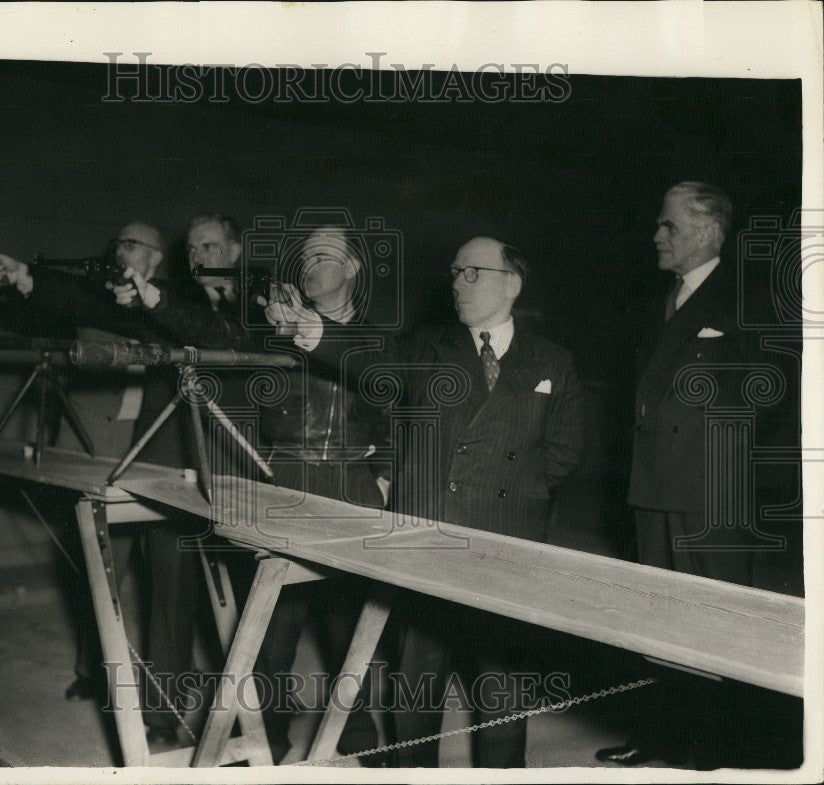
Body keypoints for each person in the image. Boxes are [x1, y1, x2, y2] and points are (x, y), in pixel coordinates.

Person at [265, 235, 584, 767]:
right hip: (426, 537)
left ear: (512, 284)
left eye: (472, 273)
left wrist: (509, 501)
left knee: (501, 688)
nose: (457, 282)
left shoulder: (554, 361)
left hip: (502, 542)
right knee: (417, 682)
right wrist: (311, 330)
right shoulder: (425, 348)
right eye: (454, 272)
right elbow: (371, 359)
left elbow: (563, 451)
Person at [124, 218, 390, 764]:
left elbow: (401, 407)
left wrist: (382, 478)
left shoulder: (380, 339)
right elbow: (216, 336)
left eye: (325, 256)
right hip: (288, 477)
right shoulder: (275, 332)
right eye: (306, 257)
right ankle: (265, 740)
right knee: (273, 626)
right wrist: (152, 298)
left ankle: (359, 733)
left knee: (351, 627)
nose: (312, 265)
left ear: (354, 269)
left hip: (351, 484)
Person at [596, 182, 802, 769]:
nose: (657, 235)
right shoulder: (658, 301)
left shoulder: (750, 299)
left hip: (713, 496)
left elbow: (778, 400)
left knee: (717, 626)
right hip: (653, 489)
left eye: (669, 226)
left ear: (708, 231)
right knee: (658, 619)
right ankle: (662, 735)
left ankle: (717, 748)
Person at [0, 221, 200, 746]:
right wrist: (25, 278)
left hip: (167, 461)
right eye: (117, 243)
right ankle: (93, 671)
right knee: (100, 569)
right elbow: (70, 304)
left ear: (153, 258)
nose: (118, 251)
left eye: (129, 245)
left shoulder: (177, 302)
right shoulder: (101, 301)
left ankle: (164, 708)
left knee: (170, 589)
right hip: (105, 459)